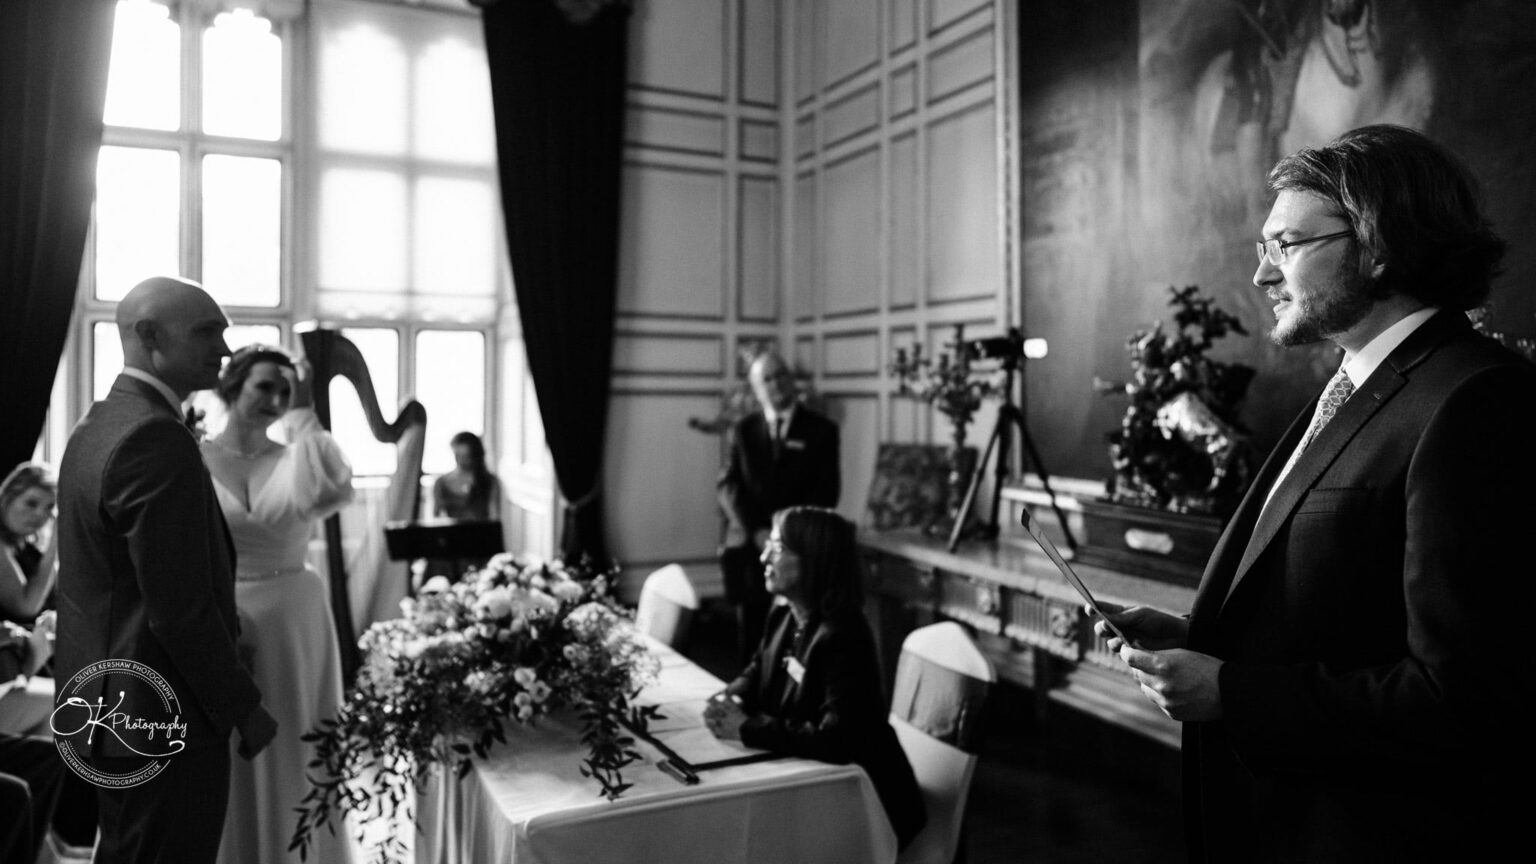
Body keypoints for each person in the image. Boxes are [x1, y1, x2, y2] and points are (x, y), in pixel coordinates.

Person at [1093, 125, 1536, 863]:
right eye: (1263, 249)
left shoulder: (1477, 400)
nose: (1264, 275)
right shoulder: (1354, 381)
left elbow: (1466, 699)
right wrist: (1202, 639)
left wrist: (1233, 695)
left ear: (1378, 243)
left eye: (1286, 246)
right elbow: (1351, 610)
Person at [56, 276, 277, 864]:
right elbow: (179, 607)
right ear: (149, 336)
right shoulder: (155, 436)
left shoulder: (99, 422)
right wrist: (243, 706)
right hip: (158, 711)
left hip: (106, 703)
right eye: (208, 332)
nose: (225, 351)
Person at [200, 344, 357, 864]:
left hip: (296, 616)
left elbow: (332, 491)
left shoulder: (300, 457)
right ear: (232, 385)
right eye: (265, 385)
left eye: (285, 390)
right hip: (224, 615)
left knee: (297, 738)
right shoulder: (191, 455)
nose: (275, 398)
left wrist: (305, 412)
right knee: (231, 745)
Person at [704, 506, 926, 850]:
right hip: (816, 785)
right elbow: (759, 668)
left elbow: (837, 739)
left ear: (814, 560)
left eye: (777, 548)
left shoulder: (843, 637)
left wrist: (746, 728)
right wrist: (733, 695)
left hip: (864, 804)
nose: (764, 556)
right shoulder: (785, 616)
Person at [717, 351, 840, 663]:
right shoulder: (743, 430)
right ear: (756, 388)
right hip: (752, 544)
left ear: (791, 379)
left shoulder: (822, 430)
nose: (776, 384)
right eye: (766, 379)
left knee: (797, 637)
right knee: (752, 634)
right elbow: (729, 486)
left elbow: (827, 492)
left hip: (799, 550)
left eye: (780, 375)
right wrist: (757, 530)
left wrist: (785, 537)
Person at [0, 462, 59, 627]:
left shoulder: (31, 547)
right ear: (8, 498)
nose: (40, 514)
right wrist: (55, 545)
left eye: (49, 507)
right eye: (31, 503)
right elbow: (25, 607)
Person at [432, 431, 500, 521]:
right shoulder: (441, 482)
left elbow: (493, 515)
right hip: (451, 533)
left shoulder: (489, 481)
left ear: (475, 456)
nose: (461, 461)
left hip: (481, 533)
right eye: (458, 456)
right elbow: (437, 516)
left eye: (466, 456)